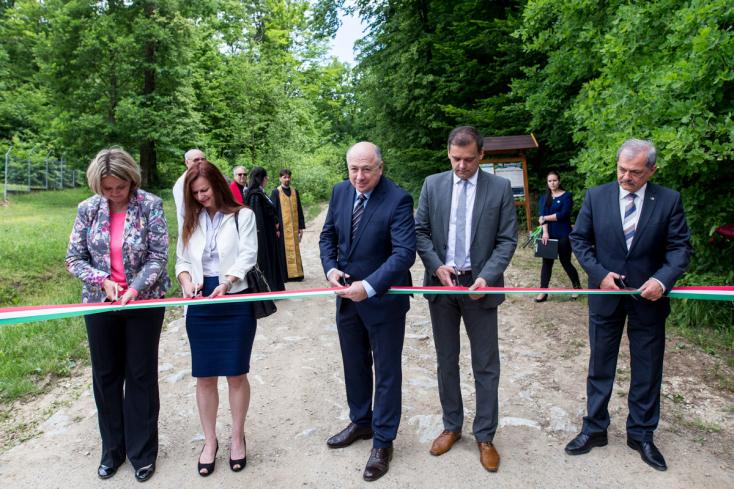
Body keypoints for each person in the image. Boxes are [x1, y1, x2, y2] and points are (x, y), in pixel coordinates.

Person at [566, 139, 691, 471]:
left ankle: (641, 434)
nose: (626, 177)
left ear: (652, 170)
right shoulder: (596, 196)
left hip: (649, 299)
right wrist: (598, 274)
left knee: (647, 369)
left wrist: (661, 280)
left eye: (635, 172)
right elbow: (579, 239)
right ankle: (594, 429)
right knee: (600, 365)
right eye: (622, 169)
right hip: (605, 297)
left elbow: (680, 248)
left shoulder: (669, 200)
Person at [414, 126, 517, 472]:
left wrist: (488, 275)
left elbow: (507, 240)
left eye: (469, 159)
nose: (461, 166)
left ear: (481, 155)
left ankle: (485, 435)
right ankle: (452, 426)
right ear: (448, 154)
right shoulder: (432, 185)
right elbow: (420, 232)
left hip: (481, 285)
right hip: (442, 284)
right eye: (456, 159)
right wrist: (436, 266)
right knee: (446, 360)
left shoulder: (499, 188)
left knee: (486, 364)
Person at [66, 147, 170, 482]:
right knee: (106, 375)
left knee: (140, 374)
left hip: (143, 302)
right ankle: (112, 451)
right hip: (100, 303)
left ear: (131, 180)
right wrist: (103, 280)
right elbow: (74, 259)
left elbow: (158, 256)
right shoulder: (87, 209)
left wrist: (135, 288)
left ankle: (142, 453)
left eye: (120, 187)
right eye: (107, 188)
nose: (114, 193)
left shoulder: (150, 205)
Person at [319, 141, 416, 482]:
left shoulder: (398, 199)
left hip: (383, 301)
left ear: (380, 167)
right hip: (347, 298)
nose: (359, 177)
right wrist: (331, 268)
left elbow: (404, 253)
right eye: (353, 169)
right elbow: (327, 237)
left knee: (386, 372)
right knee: (354, 364)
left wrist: (370, 286)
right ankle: (361, 421)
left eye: (366, 170)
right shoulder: (340, 192)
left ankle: (383, 441)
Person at [175, 160, 259, 477]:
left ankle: (237, 436)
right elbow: (181, 260)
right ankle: (209, 441)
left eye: (205, 190)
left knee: (236, 373)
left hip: (234, 298)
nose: (201, 197)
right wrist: (186, 281)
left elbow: (248, 255)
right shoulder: (190, 220)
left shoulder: (242, 216)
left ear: (218, 186)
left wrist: (228, 281)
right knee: (205, 375)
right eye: (195, 193)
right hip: (200, 301)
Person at [534, 171, 582, 302]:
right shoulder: (544, 198)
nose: (552, 183)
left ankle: (577, 287)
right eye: (550, 181)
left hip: (563, 234)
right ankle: (543, 291)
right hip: (548, 235)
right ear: (547, 182)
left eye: (554, 180)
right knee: (546, 263)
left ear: (559, 181)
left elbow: (563, 214)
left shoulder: (567, 196)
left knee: (565, 262)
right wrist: (545, 232)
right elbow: (542, 216)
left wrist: (545, 218)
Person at [244, 166, 285, 291]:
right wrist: (261, 237)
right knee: (265, 261)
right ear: (261, 178)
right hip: (263, 235)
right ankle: (267, 289)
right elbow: (257, 219)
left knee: (272, 260)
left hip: (269, 233)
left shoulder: (261, 193)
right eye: (266, 177)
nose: (267, 179)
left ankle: (275, 288)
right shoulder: (255, 195)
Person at [271, 168, 305, 281]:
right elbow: (273, 211)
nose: (287, 179)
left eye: (288, 177)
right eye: (284, 177)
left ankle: (297, 274)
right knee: (283, 251)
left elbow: (299, 209)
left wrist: (301, 227)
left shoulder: (295, 191)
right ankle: (285, 276)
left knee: (295, 249)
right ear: (280, 178)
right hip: (282, 229)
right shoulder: (276, 192)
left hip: (294, 227)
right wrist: (276, 228)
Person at [173, 149, 206, 234]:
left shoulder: (208, 177)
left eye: (203, 159)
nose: (200, 162)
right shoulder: (181, 183)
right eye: (196, 160)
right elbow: (183, 211)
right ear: (187, 162)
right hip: (194, 226)